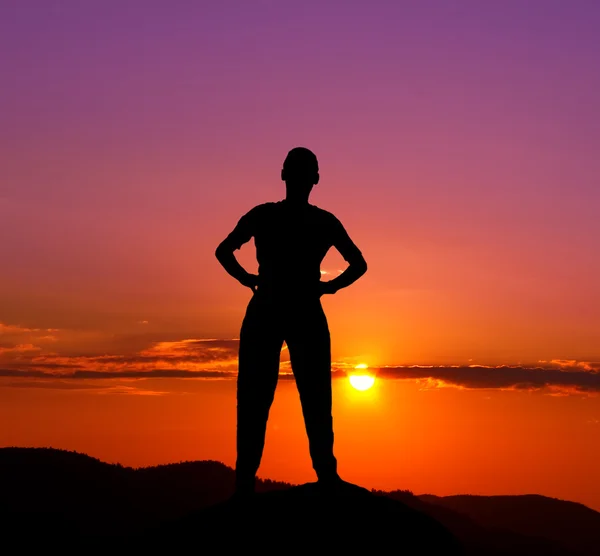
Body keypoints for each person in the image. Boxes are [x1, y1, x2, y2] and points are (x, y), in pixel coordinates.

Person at [215, 147, 367, 496]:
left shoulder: (265, 216)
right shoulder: (323, 222)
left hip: (269, 307)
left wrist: (247, 279)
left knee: (256, 399)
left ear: (285, 175)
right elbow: (358, 264)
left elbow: (224, 251)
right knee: (313, 398)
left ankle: (245, 484)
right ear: (315, 179)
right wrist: (329, 288)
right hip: (300, 310)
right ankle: (324, 476)